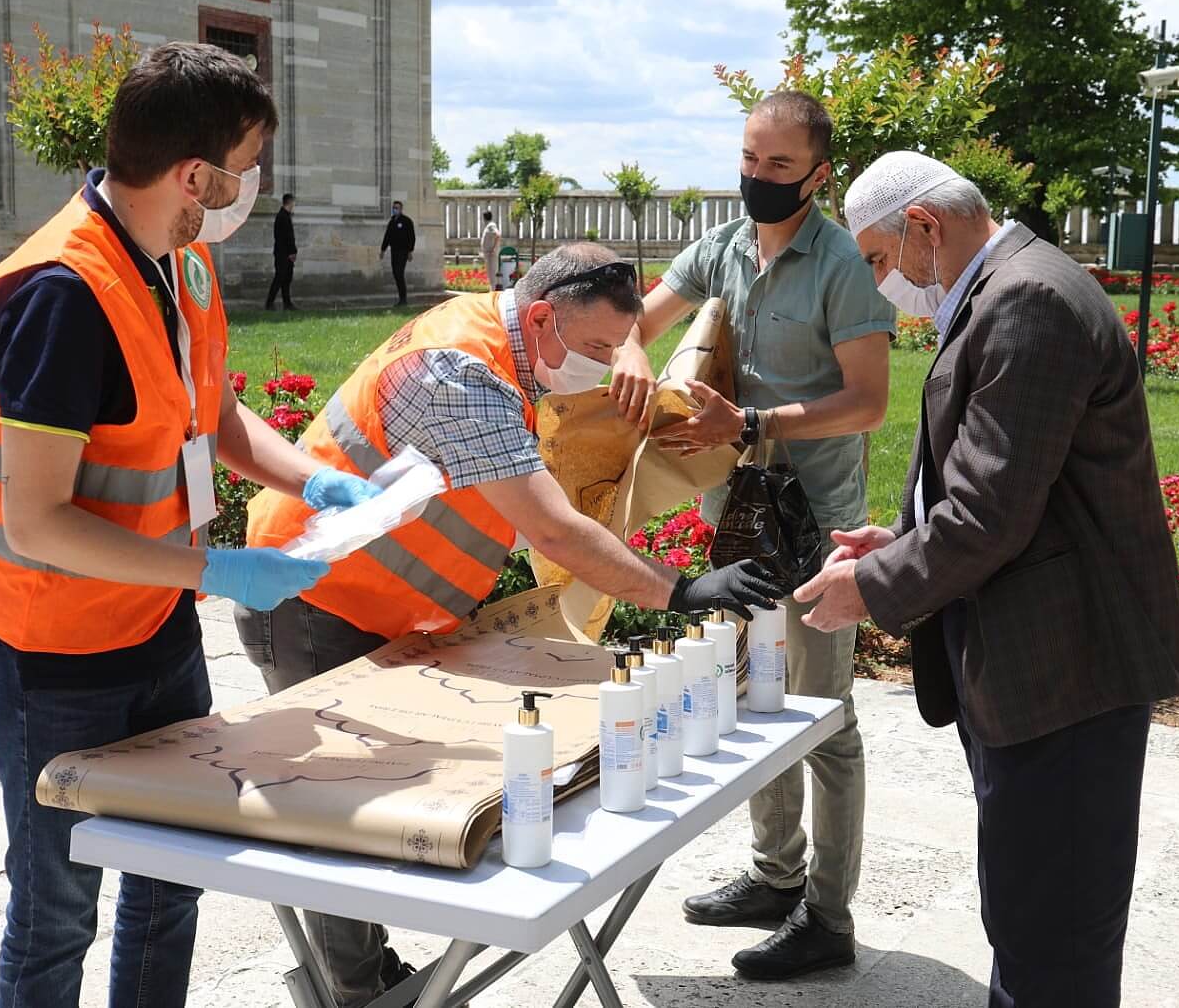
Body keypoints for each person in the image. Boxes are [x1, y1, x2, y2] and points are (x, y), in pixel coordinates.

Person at [239, 241, 787, 1007]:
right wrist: (680, 589)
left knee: (363, 812)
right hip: (311, 600)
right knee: (341, 820)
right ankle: (357, 994)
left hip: (368, 605)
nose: (602, 365)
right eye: (596, 347)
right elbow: (553, 530)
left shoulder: (499, 348)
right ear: (540, 317)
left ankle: (362, 979)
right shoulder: (461, 373)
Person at [0, 42, 382, 1008]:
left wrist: (319, 483)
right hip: (50, 653)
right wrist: (219, 572)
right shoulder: (60, 293)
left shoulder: (180, 264)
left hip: (155, 629)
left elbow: (217, 416)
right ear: (196, 173)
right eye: (246, 167)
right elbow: (40, 521)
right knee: (58, 907)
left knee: (175, 876)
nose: (249, 191)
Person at [794, 151, 1179, 1007]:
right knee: (1030, 915)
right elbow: (993, 477)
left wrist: (869, 590)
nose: (880, 282)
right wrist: (897, 538)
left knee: (1052, 939)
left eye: (876, 258)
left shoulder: (1028, 298)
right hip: (1038, 666)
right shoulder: (1007, 285)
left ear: (925, 227)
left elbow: (991, 513)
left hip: (1068, 671)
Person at [609, 90, 896, 981]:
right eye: (748, 159)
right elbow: (639, 320)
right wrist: (626, 352)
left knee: (821, 721)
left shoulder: (841, 263)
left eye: (779, 166)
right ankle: (776, 877)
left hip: (819, 526)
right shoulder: (724, 247)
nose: (758, 179)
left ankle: (830, 918)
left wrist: (755, 425)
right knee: (754, 704)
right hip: (736, 518)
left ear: (819, 174)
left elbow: (870, 402)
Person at [380, 199, 416, 305]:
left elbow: (412, 237)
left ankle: (403, 299)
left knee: (399, 273)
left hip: (403, 252)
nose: (395, 210)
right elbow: (387, 236)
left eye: (397, 208)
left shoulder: (407, 221)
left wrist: (410, 251)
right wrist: (383, 249)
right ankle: (401, 298)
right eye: (394, 208)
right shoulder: (392, 222)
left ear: (401, 209)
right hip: (394, 251)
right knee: (396, 273)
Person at [267, 192, 297, 310]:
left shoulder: (284, 216)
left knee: (286, 280)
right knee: (279, 278)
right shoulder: (283, 217)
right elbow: (287, 237)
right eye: (293, 203)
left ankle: (287, 303)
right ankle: (269, 303)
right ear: (290, 202)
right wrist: (291, 252)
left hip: (284, 253)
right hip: (283, 254)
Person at [480, 208, 502, 289]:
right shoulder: (489, 226)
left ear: (484, 218)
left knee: (492, 274)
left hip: (491, 254)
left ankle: (492, 291)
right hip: (488, 254)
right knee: (490, 274)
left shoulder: (491, 226)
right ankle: (492, 290)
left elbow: (498, 234)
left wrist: (494, 248)